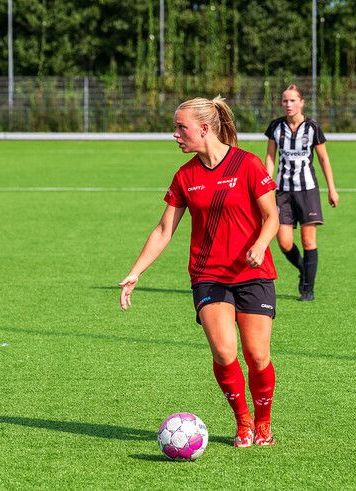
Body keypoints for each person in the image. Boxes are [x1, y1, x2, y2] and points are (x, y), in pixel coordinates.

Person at [119, 96, 280, 448]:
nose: (175, 134)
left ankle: (264, 421)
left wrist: (260, 244)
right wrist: (136, 272)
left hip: (253, 274)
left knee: (257, 355)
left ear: (204, 129)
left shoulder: (248, 164)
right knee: (224, 352)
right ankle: (244, 423)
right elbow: (164, 230)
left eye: (181, 128)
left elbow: (272, 216)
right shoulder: (185, 176)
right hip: (208, 275)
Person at [264, 84, 339, 301]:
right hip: (283, 192)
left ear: (301, 102)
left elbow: (324, 159)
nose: (288, 104)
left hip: (308, 191)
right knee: (284, 241)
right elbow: (270, 158)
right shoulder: (276, 127)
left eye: (292, 100)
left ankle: (308, 289)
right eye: (285, 101)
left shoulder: (312, 128)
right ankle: (304, 270)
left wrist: (332, 189)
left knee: (308, 241)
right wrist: (266, 185)